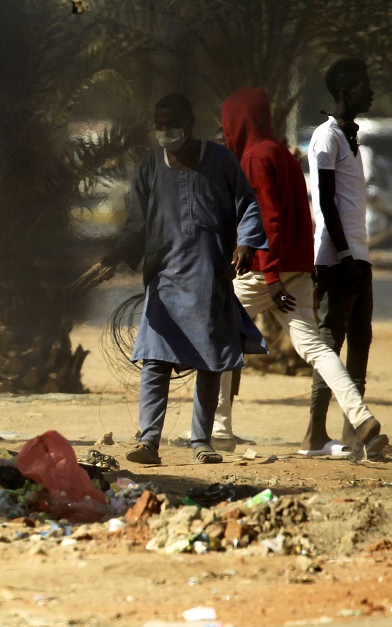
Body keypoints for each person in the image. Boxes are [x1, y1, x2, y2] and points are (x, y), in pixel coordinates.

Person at [214, 86, 386, 460]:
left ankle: (218, 429)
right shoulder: (282, 153)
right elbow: (301, 215)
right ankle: (362, 418)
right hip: (297, 269)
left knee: (219, 331)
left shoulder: (255, 159)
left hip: (266, 272)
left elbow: (268, 221)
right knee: (317, 348)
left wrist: (272, 279)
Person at [101, 92, 267, 466]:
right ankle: (149, 441)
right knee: (155, 359)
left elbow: (248, 205)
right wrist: (116, 254)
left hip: (210, 277)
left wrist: (244, 244)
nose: (165, 132)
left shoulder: (221, 161)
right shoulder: (148, 168)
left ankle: (201, 441)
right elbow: (135, 225)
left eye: (171, 125)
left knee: (209, 363)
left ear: (188, 123)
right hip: (164, 279)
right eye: (159, 126)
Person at [303, 57, 376, 454]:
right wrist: (344, 253)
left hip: (358, 253)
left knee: (361, 338)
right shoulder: (326, 137)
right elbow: (325, 201)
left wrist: (357, 254)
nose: (372, 92)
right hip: (336, 256)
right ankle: (315, 432)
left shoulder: (350, 137)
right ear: (347, 91)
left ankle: (355, 432)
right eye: (365, 86)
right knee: (332, 338)